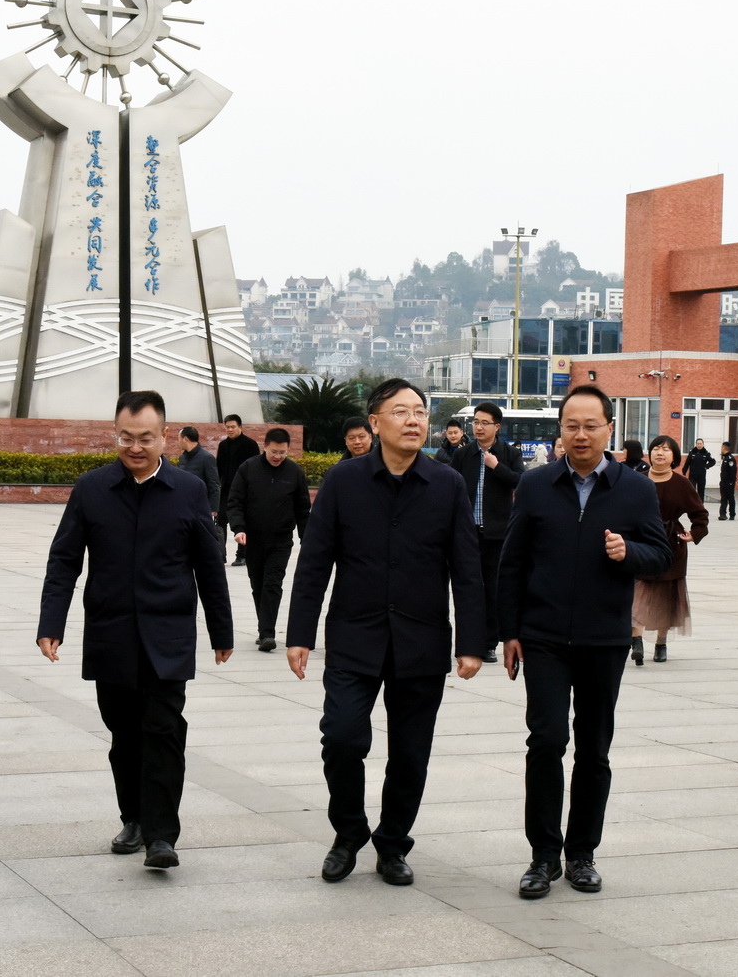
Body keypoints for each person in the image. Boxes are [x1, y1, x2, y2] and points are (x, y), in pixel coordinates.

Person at [287, 378, 486, 887]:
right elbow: (314, 561)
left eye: (420, 411)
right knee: (341, 737)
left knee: (410, 754)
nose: (414, 420)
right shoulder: (344, 481)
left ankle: (393, 843)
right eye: (401, 411)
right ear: (375, 423)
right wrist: (299, 633)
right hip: (355, 636)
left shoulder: (446, 484)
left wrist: (470, 642)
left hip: (421, 641)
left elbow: (467, 568)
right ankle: (348, 832)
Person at [38, 390, 233, 870]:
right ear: (115, 435)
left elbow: (209, 566)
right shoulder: (92, 489)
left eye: (146, 438)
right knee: (124, 734)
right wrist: (51, 623)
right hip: (112, 634)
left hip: (168, 635)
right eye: (126, 438)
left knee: (164, 730)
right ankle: (135, 819)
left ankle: (162, 836)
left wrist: (222, 631)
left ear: (164, 436)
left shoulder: (188, 490)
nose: (136, 447)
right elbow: (64, 560)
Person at [498, 385, 672, 899]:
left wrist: (628, 552)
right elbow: (512, 562)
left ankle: (581, 855)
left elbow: (660, 555)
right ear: (561, 430)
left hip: (604, 638)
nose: (580, 435)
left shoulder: (635, 489)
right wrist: (509, 631)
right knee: (546, 741)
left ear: (609, 429)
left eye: (591, 426)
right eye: (571, 425)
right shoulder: (535, 485)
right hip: (544, 636)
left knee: (594, 748)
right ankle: (542, 856)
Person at [448, 402, 524, 664]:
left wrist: (496, 466)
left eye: (484, 423)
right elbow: (450, 487)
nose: (478, 427)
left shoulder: (509, 453)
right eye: (476, 422)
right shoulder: (463, 454)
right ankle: (468, 643)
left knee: (492, 591)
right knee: (468, 591)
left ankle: (489, 644)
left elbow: (521, 482)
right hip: (467, 534)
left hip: (497, 535)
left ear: (497, 426)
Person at [227, 428, 311, 652]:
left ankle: (267, 633)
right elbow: (235, 501)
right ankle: (263, 628)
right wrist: (238, 528)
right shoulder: (248, 469)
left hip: (281, 540)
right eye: (274, 452)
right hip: (253, 539)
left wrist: (307, 539)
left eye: (283, 452)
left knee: (272, 584)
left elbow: (303, 509)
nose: (278, 456)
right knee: (258, 585)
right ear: (265, 446)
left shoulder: (294, 472)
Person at [631, 435, 707, 665]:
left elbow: (699, 513)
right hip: (642, 541)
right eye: (656, 448)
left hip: (671, 543)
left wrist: (695, 533)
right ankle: (636, 641)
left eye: (665, 449)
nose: (660, 453)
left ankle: (661, 644)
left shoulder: (682, 484)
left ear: (674, 456)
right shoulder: (637, 480)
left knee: (666, 595)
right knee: (637, 591)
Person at [216, 414, 259, 567]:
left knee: (242, 522)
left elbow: (255, 469)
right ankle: (220, 554)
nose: (230, 429)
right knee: (220, 521)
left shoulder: (250, 445)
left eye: (233, 427)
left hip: (244, 491)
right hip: (226, 490)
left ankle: (242, 555)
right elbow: (219, 468)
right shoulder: (223, 445)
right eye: (227, 427)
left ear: (240, 427)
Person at [176, 427, 223, 545]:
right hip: (184, 507)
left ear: (185, 439)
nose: (178, 442)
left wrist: (213, 510)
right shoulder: (182, 458)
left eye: (179, 439)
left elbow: (214, 484)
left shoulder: (207, 458)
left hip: (202, 508)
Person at [717, 441, 738, 521]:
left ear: (724, 448)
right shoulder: (725, 458)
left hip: (729, 483)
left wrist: (731, 481)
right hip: (723, 482)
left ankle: (732, 514)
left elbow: (733, 471)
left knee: (730, 498)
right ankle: (722, 514)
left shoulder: (730, 459)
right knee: (723, 498)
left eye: (722, 447)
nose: (721, 449)